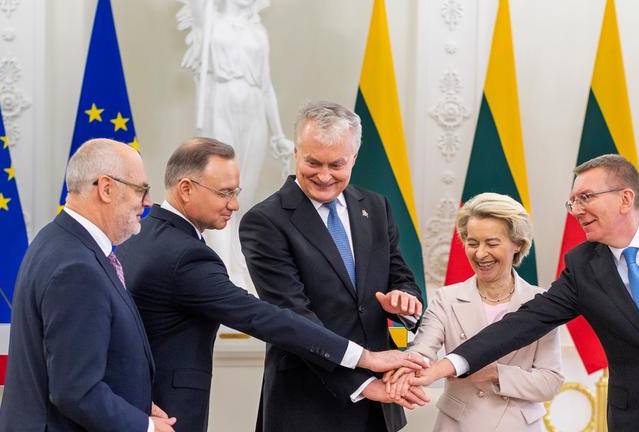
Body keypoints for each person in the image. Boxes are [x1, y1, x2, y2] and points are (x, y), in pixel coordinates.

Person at [409, 154, 639, 432]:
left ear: (625, 198)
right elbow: (524, 322)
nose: (576, 210)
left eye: (585, 198)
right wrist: (448, 364)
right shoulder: (582, 265)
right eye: (572, 202)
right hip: (638, 420)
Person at [116, 137, 423, 432]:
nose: (234, 204)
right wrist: (365, 358)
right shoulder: (186, 255)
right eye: (224, 193)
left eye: (235, 192)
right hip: (166, 411)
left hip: (141, 399)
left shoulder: (142, 236)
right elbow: (265, 317)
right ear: (186, 189)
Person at [240, 101, 428, 432]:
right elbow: (293, 316)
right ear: (296, 152)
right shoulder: (265, 221)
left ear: (354, 158)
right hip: (307, 404)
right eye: (313, 162)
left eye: (336, 165)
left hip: (379, 409)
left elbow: (401, 276)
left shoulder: (376, 206)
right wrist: (361, 383)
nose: (324, 176)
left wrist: (405, 300)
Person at [0, 139, 176, 432]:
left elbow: (84, 358)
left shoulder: (58, 239)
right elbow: (75, 390)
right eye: (141, 189)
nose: (147, 202)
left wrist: (137, 402)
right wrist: (146, 427)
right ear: (106, 188)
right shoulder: (76, 268)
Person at [387, 193, 563, 431]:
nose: (480, 254)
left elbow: (550, 382)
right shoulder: (446, 298)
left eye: (491, 243)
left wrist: (494, 372)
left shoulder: (540, 302)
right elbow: (422, 352)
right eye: (472, 243)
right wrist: (406, 372)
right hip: (457, 425)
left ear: (517, 244)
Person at [177, 0, 294, 288]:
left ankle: (238, 265)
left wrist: (278, 134)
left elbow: (267, 87)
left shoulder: (258, 32)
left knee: (245, 190)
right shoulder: (210, 20)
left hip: (253, 106)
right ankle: (224, 271)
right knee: (219, 191)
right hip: (222, 99)